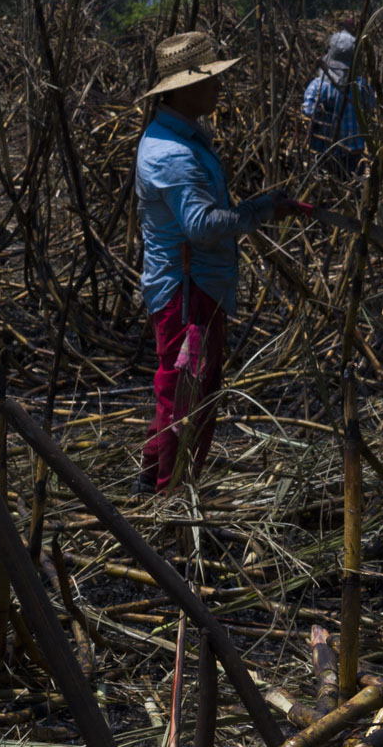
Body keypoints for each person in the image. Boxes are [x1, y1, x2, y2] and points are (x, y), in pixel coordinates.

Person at [134, 31, 298, 495]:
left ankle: (152, 481)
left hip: (192, 289)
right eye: (209, 80)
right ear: (183, 88)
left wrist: (263, 205)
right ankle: (171, 497)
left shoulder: (177, 136)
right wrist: (258, 212)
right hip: (187, 295)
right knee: (189, 400)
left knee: (182, 390)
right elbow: (202, 225)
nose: (218, 88)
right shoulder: (172, 153)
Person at [302, 27, 374, 177]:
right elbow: (370, 107)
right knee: (355, 193)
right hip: (356, 155)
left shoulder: (318, 86)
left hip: (325, 154)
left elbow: (308, 113)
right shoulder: (361, 86)